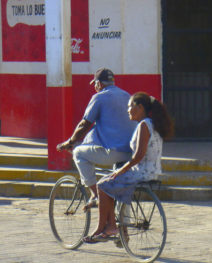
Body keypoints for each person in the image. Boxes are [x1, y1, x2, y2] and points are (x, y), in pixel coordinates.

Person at [83, 91, 174, 243]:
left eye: (130, 106)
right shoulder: (153, 124)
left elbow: (138, 155)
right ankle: (114, 226)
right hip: (152, 171)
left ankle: (105, 227)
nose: (127, 110)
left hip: (141, 172)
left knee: (102, 184)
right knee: (111, 183)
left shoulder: (144, 125)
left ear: (139, 107)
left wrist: (122, 169)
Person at [57, 68, 136, 210]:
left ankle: (95, 195)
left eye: (95, 84)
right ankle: (123, 226)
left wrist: (70, 142)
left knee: (79, 153)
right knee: (118, 185)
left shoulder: (99, 97)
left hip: (113, 152)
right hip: (130, 152)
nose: (95, 87)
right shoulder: (126, 95)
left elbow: (84, 124)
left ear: (99, 84)